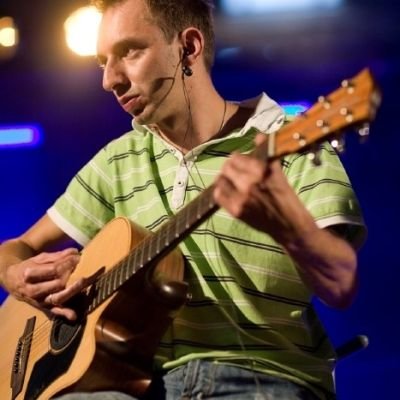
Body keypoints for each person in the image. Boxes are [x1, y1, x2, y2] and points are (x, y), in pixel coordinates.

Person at [0, 0, 366, 399]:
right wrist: (16, 276)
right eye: (103, 62)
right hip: (137, 385)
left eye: (129, 52)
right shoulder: (116, 161)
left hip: (263, 378)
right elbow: (14, 248)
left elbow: (341, 284)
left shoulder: (285, 143)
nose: (109, 80)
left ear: (188, 47)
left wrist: (283, 223)